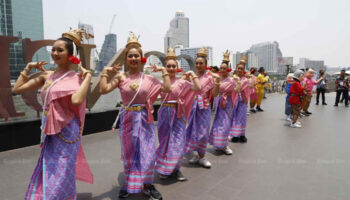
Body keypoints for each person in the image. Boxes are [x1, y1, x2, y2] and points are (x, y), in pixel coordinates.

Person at [13, 29, 94, 200]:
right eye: (54, 49)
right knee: (49, 168)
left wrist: (87, 77)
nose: (55, 53)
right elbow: (17, 88)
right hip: (49, 129)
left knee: (63, 170)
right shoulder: (47, 76)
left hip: (67, 131)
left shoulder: (76, 78)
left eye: (60, 50)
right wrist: (27, 68)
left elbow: (78, 100)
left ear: (71, 55)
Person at [99, 32, 171, 199]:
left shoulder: (149, 79)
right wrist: (105, 72)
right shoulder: (121, 77)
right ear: (126, 59)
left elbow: (167, 89)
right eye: (130, 56)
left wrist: (163, 71)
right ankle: (130, 183)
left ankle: (148, 184)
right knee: (129, 152)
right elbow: (103, 90)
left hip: (145, 120)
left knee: (147, 152)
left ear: (141, 58)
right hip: (127, 120)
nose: (133, 58)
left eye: (136, 55)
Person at [155, 47, 200, 181]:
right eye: (168, 66)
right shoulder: (160, 81)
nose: (171, 68)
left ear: (177, 67)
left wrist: (192, 73)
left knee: (178, 141)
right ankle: (164, 169)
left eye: (173, 66)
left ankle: (176, 169)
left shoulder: (182, 82)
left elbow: (198, 88)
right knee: (165, 142)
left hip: (178, 113)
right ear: (165, 67)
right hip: (164, 113)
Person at [185, 48, 221, 168]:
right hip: (192, 107)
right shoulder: (191, 77)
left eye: (201, 63)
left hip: (203, 108)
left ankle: (203, 156)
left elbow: (215, 94)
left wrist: (217, 83)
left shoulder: (210, 78)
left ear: (206, 65)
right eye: (197, 63)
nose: (199, 65)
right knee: (192, 131)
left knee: (203, 132)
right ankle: (197, 155)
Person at [209, 50, 239, 155]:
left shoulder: (232, 80)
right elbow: (214, 92)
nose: (222, 70)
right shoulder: (216, 79)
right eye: (221, 68)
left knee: (226, 124)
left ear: (228, 69)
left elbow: (237, 91)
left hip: (228, 104)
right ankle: (218, 144)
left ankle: (225, 145)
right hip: (219, 102)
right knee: (218, 124)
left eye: (224, 69)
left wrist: (237, 84)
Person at [230, 63, 250, 143]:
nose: (239, 70)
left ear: (244, 70)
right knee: (234, 117)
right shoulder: (233, 79)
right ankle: (235, 135)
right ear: (236, 69)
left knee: (241, 118)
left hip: (242, 100)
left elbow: (243, 90)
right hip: (234, 100)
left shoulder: (245, 80)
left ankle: (242, 134)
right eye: (238, 68)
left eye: (241, 69)